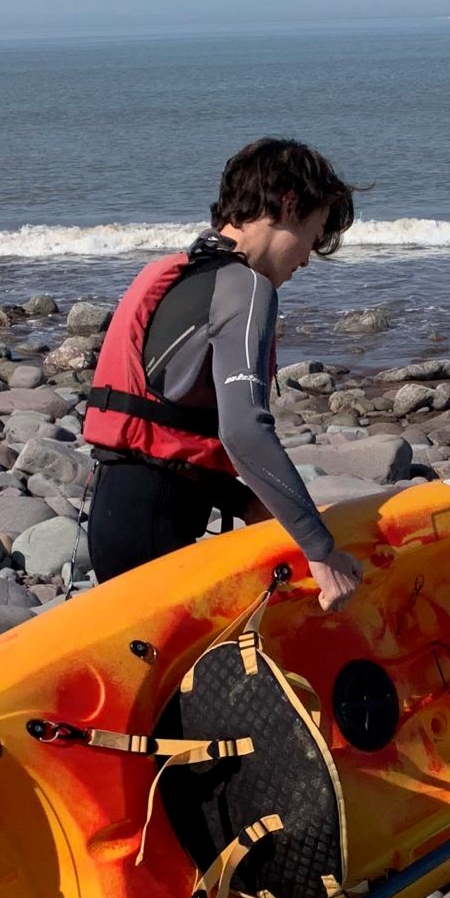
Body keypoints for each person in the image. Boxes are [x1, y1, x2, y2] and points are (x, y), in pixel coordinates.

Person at [83, 137, 364, 608]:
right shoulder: (246, 288)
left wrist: (249, 503)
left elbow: (167, 438)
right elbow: (244, 431)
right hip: (157, 530)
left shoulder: (179, 275)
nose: (307, 259)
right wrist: (322, 551)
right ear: (289, 204)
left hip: (115, 523)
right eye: (312, 236)